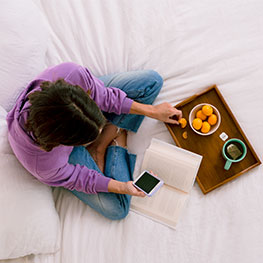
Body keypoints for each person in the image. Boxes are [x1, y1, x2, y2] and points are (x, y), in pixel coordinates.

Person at [7, 62, 182, 220]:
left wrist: (152, 111)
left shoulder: (71, 74)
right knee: (118, 208)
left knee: (152, 82)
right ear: (65, 142)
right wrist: (122, 187)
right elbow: (77, 178)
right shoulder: (43, 163)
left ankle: (102, 143)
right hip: (58, 153)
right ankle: (114, 139)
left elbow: (105, 97)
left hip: (69, 116)